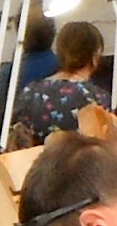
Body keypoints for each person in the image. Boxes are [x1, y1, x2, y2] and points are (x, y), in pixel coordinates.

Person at [6, 21, 110, 149]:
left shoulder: (30, 92)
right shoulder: (98, 100)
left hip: (37, 167)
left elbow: (16, 140)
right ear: (96, 56)